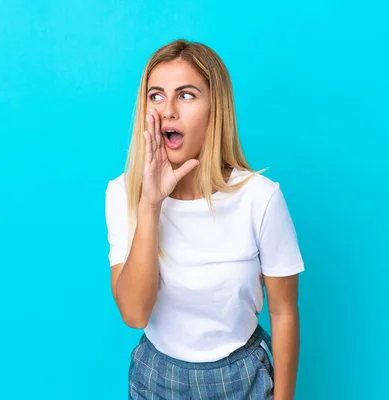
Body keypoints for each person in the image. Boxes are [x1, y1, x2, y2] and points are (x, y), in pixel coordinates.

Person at [105, 39, 305, 400]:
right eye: (156, 95)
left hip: (241, 377)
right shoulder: (123, 193)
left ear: (216, 108)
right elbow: (135, 314)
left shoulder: (260, 197)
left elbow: (284, 311)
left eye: (185, 95)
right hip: (156, 379)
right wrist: (151, 203)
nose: (167, 110)